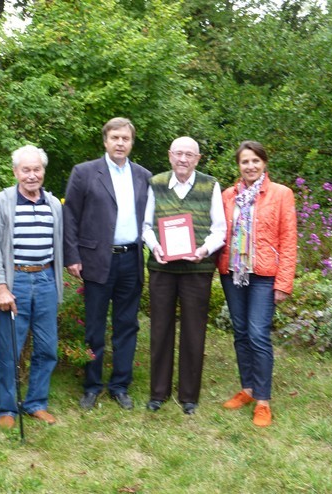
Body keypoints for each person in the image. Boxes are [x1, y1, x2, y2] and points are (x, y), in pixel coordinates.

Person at [64, 117, 152, 411]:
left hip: (131, 259)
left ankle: (120, 385)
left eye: (125, 139)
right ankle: (91, 385)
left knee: (127, 325)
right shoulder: (85, 173)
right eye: (115, 138)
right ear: (105, 141)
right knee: (94, 327)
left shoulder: (143, 176)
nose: (120, 143)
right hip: (96, 260)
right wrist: (72, 255)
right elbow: (70, 216)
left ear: (131, 143)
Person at [142, 137, 227, 415]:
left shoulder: (210, 185)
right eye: (178, 153)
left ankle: (189, 396)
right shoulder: (156, 183)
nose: (183, 159)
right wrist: (154, 246)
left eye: (189, 155)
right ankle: (158, 392)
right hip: (163, 268)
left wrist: (204, 250)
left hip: (197, 269)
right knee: (160, 329)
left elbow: (220, 229)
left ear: (198, 159)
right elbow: (146, 225)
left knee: (194, 330)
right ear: (169, 156)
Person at [217, 140, 297, 427]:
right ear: (238, 165)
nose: (250, 166)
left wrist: (283, 283)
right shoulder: (228, 195)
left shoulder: (281, 194)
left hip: (264, 274)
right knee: (240, 332)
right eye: (244, 162)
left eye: (255, 161)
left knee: (258, 334)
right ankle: (248, 389)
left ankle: (263, 400)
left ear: (264, 162)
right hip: (233, 273)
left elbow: (288, 241)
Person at [0, 144, 63, 428]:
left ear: (43, 171)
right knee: (10, 349)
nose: (32, 175)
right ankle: (6, 408)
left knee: (47, 348)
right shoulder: (2, 201)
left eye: (37, 169)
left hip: (44, 280)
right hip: (14, 280)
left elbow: (59, 247)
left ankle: (36, 403)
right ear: (16, 172)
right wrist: (0, 286)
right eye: (26, 170)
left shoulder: (54, 204)